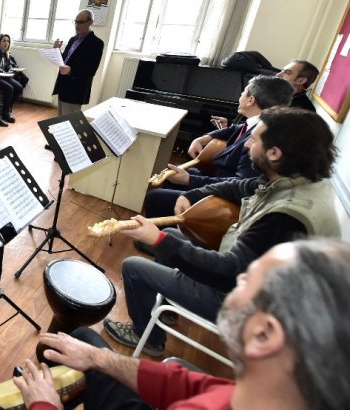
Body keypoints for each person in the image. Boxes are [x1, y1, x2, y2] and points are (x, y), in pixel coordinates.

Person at [0, 239, 350, 410]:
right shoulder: (251, 392)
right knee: (76, 337)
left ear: (265, 335)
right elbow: (182, 385)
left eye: (249, 280)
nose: (238, 280)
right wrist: (97, 357)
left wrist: (46, 404)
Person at [103, 107, 340, 357]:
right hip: (253, 283)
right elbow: (240, 185)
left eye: (255, 139)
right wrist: (191, 194)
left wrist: (158, 240)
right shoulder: (297, 179)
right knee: (172, 236)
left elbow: (229, 274)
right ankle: (168, 307)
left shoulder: (287, 217)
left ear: (274, 153)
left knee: (134, 267)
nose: (247, 145)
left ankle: (147, 337)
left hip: (248, 305)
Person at [144, 75, 294, 218]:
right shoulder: (260, 123)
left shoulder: (258, 143)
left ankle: (166, 236)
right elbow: (235, 128)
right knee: (171, 178)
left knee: (155, 197)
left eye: (243, 93)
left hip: (225, 197)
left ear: (250, 100)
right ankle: (181, 223)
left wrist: (190, 180)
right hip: (220, 179)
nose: (240, 96)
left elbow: (240, 186)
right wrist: (204, 138)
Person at [51, 9, 104, 115]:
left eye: (81, 22)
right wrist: (57, 50)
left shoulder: (96, 43)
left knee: (69, 122)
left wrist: (71, 71)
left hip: (75, 89)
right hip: (63, 85)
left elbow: (91, 70)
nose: (77, 25)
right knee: (61, 119)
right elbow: (64, 61)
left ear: (90, 23)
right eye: (76, 22)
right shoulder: (72, 40)